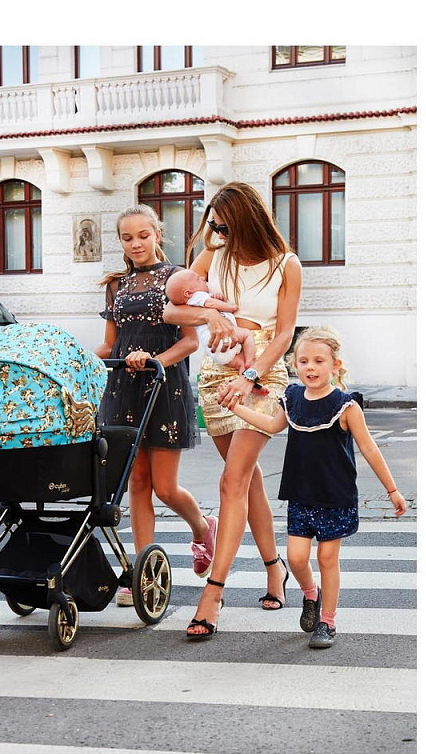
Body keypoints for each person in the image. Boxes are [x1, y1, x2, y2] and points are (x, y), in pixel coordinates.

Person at [162, 181, 302, 638]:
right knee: (247, 478)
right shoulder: (213, 256)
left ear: (245, 220)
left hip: (261, 374)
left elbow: (285, 333)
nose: (218, 233)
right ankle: (274, 566)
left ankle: (213, 593)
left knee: (232, 480)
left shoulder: (286, 264)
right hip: (215, 376)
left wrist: (251, 375)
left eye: (224, 225)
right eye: (214, 226)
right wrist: (209, 315)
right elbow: (170, 311)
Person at [220, 325, 407, 647]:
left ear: (335, 365)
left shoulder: (346, 406)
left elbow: (369, 449)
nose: (311, 367)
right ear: (295, 365)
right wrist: (236, 407)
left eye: (319, 361)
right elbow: (272, 425)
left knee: (327, 559)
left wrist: (392, 490)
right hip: (301, 494)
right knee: (295, 558)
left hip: (335, 496)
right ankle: (311, 594)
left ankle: (327, 622)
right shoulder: (292, 398)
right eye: (304, 361)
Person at [95, 204, 217, 606]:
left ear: (157, 234)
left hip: (164, 388)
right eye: (127, 237)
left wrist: (154, 361)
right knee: (136, 483)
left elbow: (190, 341)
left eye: (143, 235)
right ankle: (141, 572)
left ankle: (203, 528)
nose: (136, 244)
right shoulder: (116, 285)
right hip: (122, 389)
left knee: (165, 487)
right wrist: (75, 360)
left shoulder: (177, 278)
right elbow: (110, 344)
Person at [165, 268, 257, 373]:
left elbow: (212, 303)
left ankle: (244, 370)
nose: (202, 278)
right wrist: (230, 307)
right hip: (222, 337)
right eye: (198, 279)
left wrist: (218, 298)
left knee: (239, 363)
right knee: (247, 335)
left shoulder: (191, 303)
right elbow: (212, 304)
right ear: (188, 293)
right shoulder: (197, 296)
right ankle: (250, 361)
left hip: (214, 349)